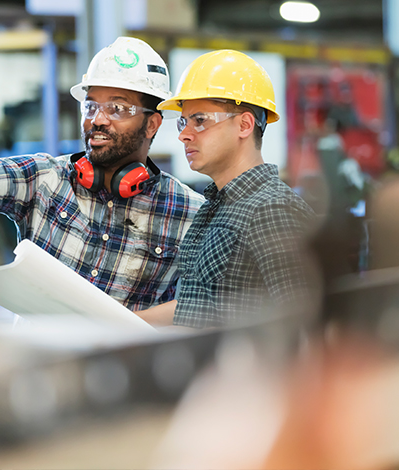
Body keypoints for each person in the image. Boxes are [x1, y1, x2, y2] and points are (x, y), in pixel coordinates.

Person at [0, 37, 204, 311]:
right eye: (91, 106)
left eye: (117, 108)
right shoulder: (46, 178)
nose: (98, 119)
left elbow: (196, 310)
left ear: (153, 123)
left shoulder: (189, 213)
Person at [136, 50, 320, 329]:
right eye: (184, 122)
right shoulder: (214, 207)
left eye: (200, 120)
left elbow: (308, 322)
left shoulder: (272, 210)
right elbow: (196, 306)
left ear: (244, 125)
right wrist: (117, 322)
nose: (184, 134)